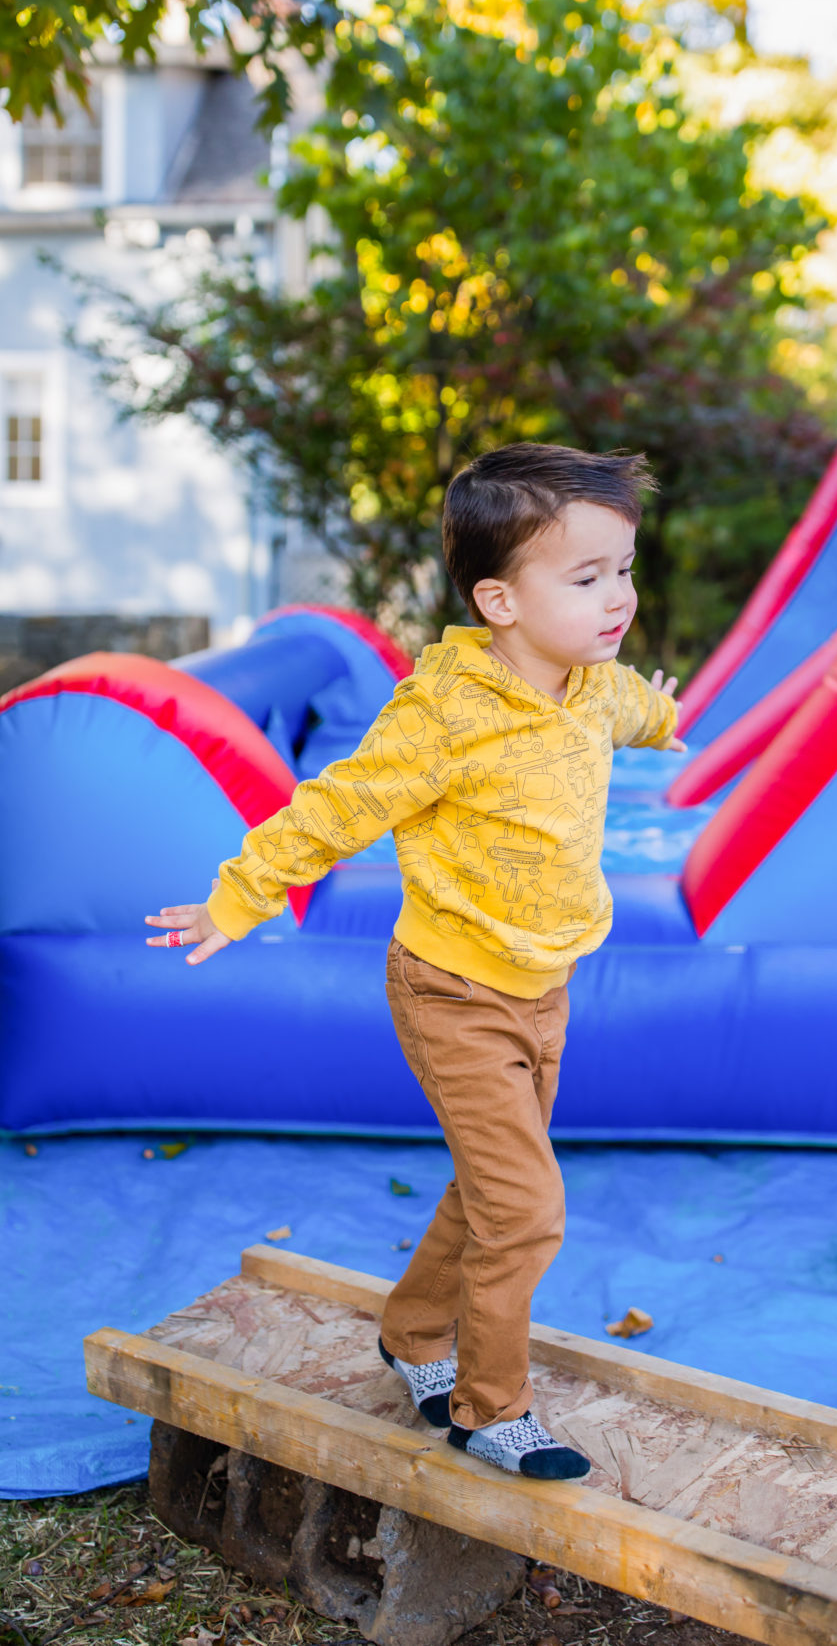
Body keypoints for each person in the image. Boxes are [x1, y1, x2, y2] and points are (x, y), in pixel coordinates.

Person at [145, 442, 686, 1480]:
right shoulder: (442, 714)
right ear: (498, 600)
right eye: (585, 578)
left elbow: (630, 714)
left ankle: (412, 1332)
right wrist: (241, 894)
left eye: (622, 569)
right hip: (453, 990)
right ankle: (490, 1409)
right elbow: (336, 807)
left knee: (492, 1187)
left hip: (544, 987)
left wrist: (659, 719)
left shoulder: (592, 684)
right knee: (525, 1211)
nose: (617, 596)